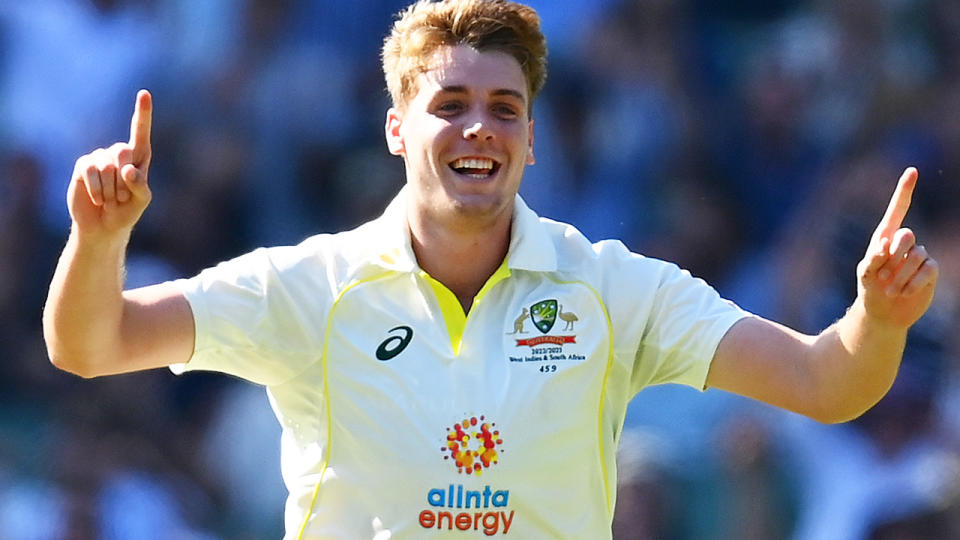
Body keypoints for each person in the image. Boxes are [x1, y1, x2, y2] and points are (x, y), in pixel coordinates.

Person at [42, 0, 939, 538]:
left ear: (532, 138)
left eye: (506, 108)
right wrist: (97, 237)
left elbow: (827, 382)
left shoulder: (614, 289)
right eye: (451, 104)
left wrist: (879, 319)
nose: (481, 128)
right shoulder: (305, 285)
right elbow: (92, 344)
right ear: (397, 127)